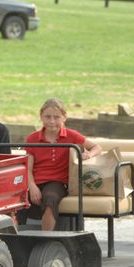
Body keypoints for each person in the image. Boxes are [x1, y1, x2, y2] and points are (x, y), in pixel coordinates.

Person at [19, 98, 102, 231]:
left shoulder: (72, 136)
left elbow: (97, 147)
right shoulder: (33, 139)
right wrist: (32, 187)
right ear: (41, 116)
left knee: (50, 197)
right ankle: (14, 238)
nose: (52, 121)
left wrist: (89, 155)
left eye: (56, 117)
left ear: (64, 117)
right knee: (15, 199)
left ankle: (45, 239)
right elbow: (27, 169)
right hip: (36, 181)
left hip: (58, 182)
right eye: (47, 117)